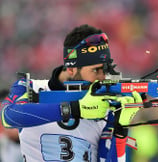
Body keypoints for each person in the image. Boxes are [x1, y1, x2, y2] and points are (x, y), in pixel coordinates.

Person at [1, 24, 142, 162]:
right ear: (71, 70)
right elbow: (8, 117)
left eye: (106, 70)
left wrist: (120, 129)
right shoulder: (31, 88)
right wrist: (75, 109)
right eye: (95, 70)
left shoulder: (105, 106)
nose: (102, 77)